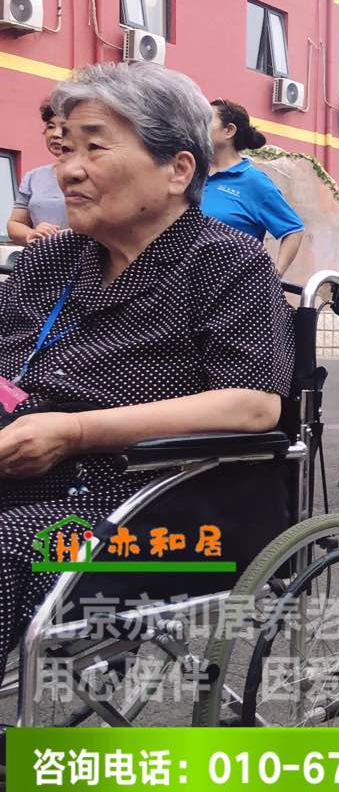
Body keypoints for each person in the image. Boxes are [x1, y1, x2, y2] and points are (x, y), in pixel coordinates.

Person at [0, 62, 294, 669]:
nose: (68, 170)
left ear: (177, 169)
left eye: (94, 147)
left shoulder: (226, 261)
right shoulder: (48, 260)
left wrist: (72, 432)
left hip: (153, 512)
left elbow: (252, 404)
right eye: (65, 149)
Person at [201, 99, 305, 274]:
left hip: (230, 287)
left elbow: (294, 230)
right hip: (185, 284)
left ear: (229, 131)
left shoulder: (254, 182)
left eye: (206, 120)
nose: (197, 126)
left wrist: (273, 276)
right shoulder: (193, 175)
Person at [6, 102, 69, 245]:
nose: (56, 134)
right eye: (51, 126)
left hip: (81, 254)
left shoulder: (93, 174)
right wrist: (32, 233)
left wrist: (64, 236)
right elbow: (15, 224)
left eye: (64, 127)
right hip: (42, 254)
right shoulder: (33, 176)